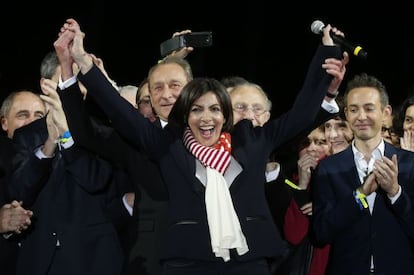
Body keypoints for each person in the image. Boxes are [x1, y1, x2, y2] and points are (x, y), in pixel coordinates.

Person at [62, 17, 347, 274]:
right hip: (185, 263)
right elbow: (120, 112)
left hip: (249, 263)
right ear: (185, 115)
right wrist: (83, 62)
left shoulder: (252, 140)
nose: (206, 118)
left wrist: (327, 54)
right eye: (197, 110)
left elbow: (302, 114)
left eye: (215, 110)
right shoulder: (169, 145)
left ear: (227, 115)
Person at [3, 87, 124, 275]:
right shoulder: (24, 142)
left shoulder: (99, 131)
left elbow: (95, 180)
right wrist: (50, 144)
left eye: (38, 114)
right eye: (23, 115)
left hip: (92, 258)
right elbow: (18, 192)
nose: (32, 121)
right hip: (39, 259)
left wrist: (65, 136)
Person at [311, 73, 414, 274]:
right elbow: (320, 233)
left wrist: (395, 193)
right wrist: (359, 195)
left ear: (386, 113)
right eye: (354, 110)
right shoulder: (328, 168)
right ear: (347, 114)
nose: (361, 116)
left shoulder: (409, 164)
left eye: (369, 108)